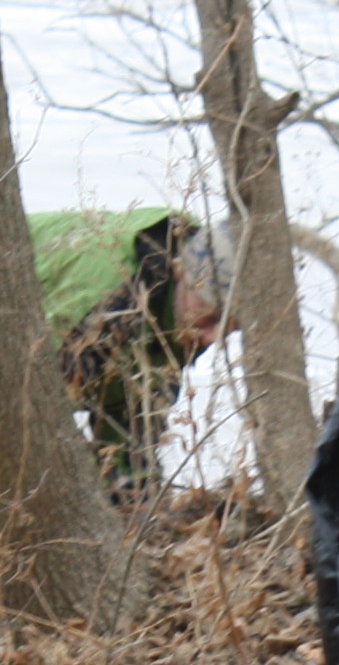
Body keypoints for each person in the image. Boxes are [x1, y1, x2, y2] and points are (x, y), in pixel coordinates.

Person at [28, 207, 226, 493]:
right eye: (209, 316)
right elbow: (27, 403)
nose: (212, 337)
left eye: (228, 325)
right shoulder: (102, 302)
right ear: (182, 274)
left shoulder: (174, 312)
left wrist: (133, 492)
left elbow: (130, 420)